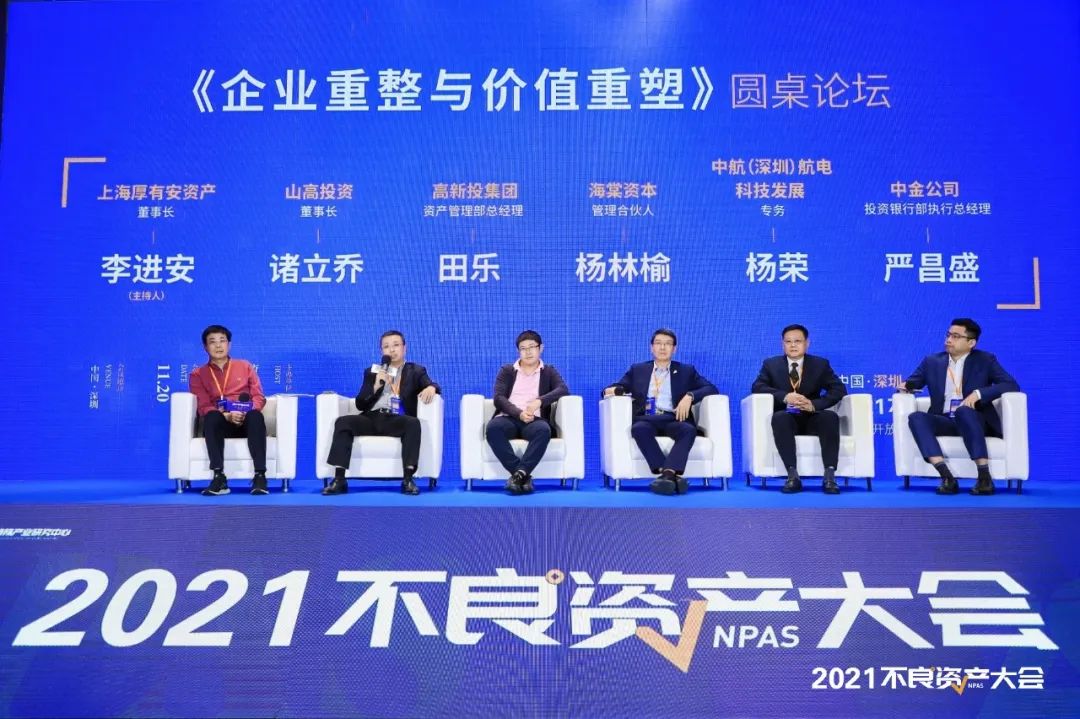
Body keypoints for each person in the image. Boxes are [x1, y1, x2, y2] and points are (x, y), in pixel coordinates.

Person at [899, 318, 1019, 496]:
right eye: (948, 335)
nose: (948, 340)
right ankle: (947, 477)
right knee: (916, 417)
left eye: (955, 336)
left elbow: (1011, 385)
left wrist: (979, 394)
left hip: (975, 419)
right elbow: (911, 383)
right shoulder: (932, 361)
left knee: (964, 411)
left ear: (971, 343)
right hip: (945, 420)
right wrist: (904, 388)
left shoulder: (985, 360)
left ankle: (984, 478)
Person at [323, 330, 440, 496]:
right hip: (371, 417)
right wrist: (376, 385)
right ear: (381, 351)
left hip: (397, 419)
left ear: (404, 348)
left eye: (396, 345)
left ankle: (408, 479)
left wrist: (431, 387)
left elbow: (432, 384)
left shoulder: (416, 370)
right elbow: (360, 403)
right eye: (386, 347)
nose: (391, 350)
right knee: (343, 422)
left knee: (413, 423)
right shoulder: (372, 372)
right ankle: (339, 479)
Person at [603, 329, 718, 495]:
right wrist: (612, 390)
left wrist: (690, 396)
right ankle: (670, 474)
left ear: (674, 349)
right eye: (658, 343)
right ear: (651, 347)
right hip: (647, 419)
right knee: (638, 429)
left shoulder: (686, 371)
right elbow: (616, 387)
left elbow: (711, 388)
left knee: (688, 430)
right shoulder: (638, 369)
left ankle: (666, 476)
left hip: (674, 418)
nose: (662, 347)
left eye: (668, 344)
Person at [751, 324, 846, 494]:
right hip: (787, 416)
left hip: (812, 416)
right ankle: (792, 476)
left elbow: (839, 389)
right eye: (788, 342)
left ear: (807, 343)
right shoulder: (771, 364)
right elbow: (758, 387)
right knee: (780, 417)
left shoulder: (820, 364)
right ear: (782, 344)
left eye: (797, 341)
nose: (793, 345)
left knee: (829, 417)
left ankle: (830, 476)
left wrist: (814, 404)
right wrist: (784, 396)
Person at [485, 330, 569, 495]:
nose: (528, 352)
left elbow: (563, 389)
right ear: (518, 351)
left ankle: (518, 476)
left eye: (532, 347)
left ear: (541, 348)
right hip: (509, 417)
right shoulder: (507, 370)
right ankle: (522, 475)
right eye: (523, 348)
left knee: (543, 430)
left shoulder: (548, 371)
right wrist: (518, 413)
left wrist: (540, 401)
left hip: (534, 420)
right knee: (493, 428)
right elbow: (499, 398)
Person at [189, 325, 268, 496]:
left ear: (229, 344)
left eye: (222, 341)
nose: (218, 345)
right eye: (212, 342)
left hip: (246, 421)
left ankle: (260, 476)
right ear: (205, 347)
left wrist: (247, 411)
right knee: (211, 416)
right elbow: (203, 405)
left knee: (256, 416)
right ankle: (219, 477)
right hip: (221, 423)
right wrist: (226, 416)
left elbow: (258, 397)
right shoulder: (197, 374)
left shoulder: (245, 366)